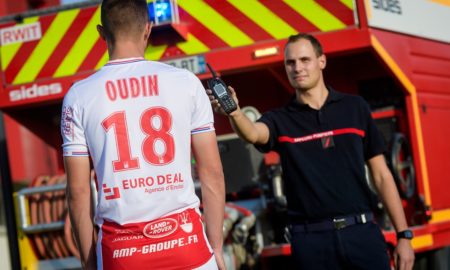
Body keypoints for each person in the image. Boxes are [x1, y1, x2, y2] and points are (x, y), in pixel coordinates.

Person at [208, 33, 415, 270]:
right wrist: (234, 112)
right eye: (290, 62)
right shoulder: (281, 120)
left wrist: (403, 235)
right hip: (312, 244)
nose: (297, 68)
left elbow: (381, 175)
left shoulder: (355, 108)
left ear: (322, 61)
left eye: (305, 60)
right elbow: (254, 133)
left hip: (363, 234)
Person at [61, 0, 225, 269]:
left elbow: (78, 192)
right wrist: (215, 247)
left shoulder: (78, 96)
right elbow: (212, 173)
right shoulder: (186, 83)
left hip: (122, 255)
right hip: (189, 247)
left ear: (101, 33)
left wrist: (89, 263)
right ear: (148, 30)